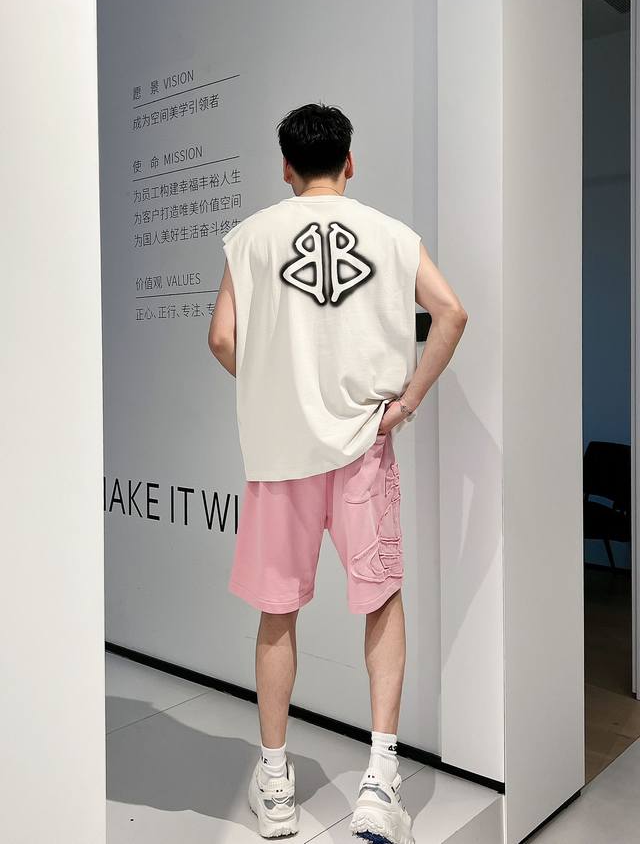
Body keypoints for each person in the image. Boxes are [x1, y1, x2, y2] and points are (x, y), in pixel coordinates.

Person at [208, 102, 468, 843]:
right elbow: (451, 313)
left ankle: (274, 783)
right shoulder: (392, 235)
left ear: (285, 167)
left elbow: (222, 337)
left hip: (280, 457)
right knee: (380, 602)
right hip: (363, 448)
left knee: (277, 612)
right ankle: (380, 784)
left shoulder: (250, 237)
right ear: (349, 162)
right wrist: (406, 402)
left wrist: (276, 390)